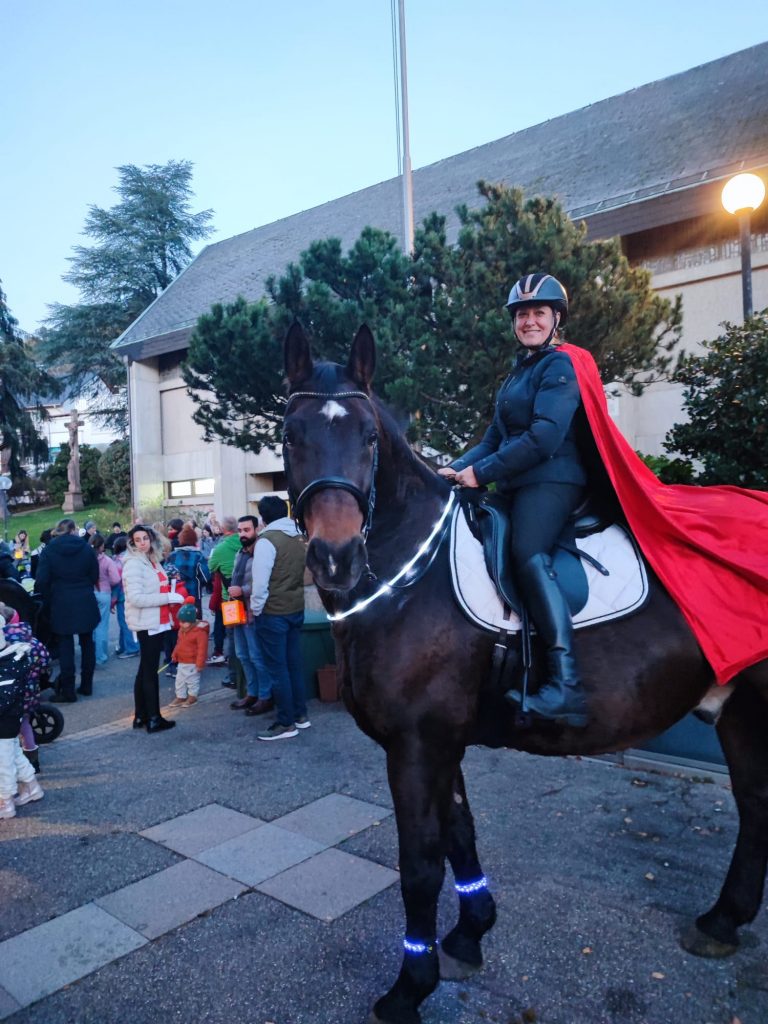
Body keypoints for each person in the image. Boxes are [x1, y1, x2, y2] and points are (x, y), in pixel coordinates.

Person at [438, 273, 589, 727]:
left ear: (556, 319)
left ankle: (566, 684)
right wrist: (452, 469)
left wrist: (481, 473)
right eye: (522, 314)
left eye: (539, 313)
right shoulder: (518, 373)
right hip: (518, 483)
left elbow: (544, 438)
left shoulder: (559, 367)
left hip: (554, 478)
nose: (529, 321)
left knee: (527, 552)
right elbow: (493, 439)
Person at [250, 495, 309, 741]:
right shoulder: (298, 536)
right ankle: (300, 715)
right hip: (295, 607)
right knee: (293, 664)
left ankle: (286, 723)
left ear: (263, 518)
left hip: (273, 611)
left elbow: (260, 584)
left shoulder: (266, 541)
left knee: (277, 668)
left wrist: (256, 609)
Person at [122, 525, 185, 733]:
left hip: (157, 620)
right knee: (149, 671)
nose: (142, 543)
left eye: (145, 538)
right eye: (137, 540)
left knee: (145, 669)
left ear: (151, 539)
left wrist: (169, 591)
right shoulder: (134, 563)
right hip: (147, 622)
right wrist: (167, 597)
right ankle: (154, 718)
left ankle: (142, 715)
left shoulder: (151, 559)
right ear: (132, 543)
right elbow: (136, 598)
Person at [35, 518, 100, 702]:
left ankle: (68, 690)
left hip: (61, 601)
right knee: (87, 644)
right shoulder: (86, 548)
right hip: (84, 599)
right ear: (73, 530)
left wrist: (50, 598)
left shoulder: (49, 550)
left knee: (65, 648)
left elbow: (42, 580)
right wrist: (84, 586)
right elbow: (94, 574)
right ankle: (87, 684)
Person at [228, 515, 272, 715]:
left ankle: (265, 696)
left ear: (256, 529)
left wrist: (242, 590)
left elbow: (265, 582)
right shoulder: (241, 552)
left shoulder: (260, 552)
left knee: (256, 656)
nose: (242, 534)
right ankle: (252, 693)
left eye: (247, 530)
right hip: (237, 611)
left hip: (253, 611)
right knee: (243, 655)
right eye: (240, 530)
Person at [0, 619, 44, 820]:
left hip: (4, 722)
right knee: (14, 754)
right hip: (9, 721)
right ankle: (32, 787)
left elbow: (4, 699)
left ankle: (5, 801)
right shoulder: (10, 661)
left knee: (3, 762)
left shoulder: (6, 666)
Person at [207, 516, 243, 680]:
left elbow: (211, 567)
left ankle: (234, 675)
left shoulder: (220, 548)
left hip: (229, 599)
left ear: (223, 529)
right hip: (248, 595)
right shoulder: (247, 543)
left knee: (233, 637)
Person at [168, 598, 209, 708]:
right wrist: (174, 654)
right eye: (180, 621)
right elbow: (179, 643)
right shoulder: (182, 630)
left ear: (191, 621)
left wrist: (200, 664)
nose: (180, 624)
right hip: (182, 660)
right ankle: (180, 696)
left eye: (183, 622)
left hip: (193, 662)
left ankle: (192, 696)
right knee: (179, 680)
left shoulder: (200, 633)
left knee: (192, 680)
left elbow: (202, 649)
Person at [167, 524, 211, 616]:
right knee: (195, 620)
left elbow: (166, 575)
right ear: (194, 540)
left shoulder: (172, 556)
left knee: (178, 618)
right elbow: (205, 577)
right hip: (194, 594)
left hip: (176, 595)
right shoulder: (198, 555)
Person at [90, 534, 121, 665]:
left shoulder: (86, 559)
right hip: (104, 593)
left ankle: (91, 654)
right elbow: (116, 579)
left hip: (90, 593)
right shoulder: (107, 560)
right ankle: (101, 656)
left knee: (91, 625)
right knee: (102, 625)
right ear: (102, 546)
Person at [112, 536, 140, 658]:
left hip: (122, 595)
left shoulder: (118, 561)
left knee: (125, 622)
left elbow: (116, 581)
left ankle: (132, 648)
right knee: (127, 621)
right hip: (133, 593)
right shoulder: (134, 558)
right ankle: (123, 646)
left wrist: (112, 601)